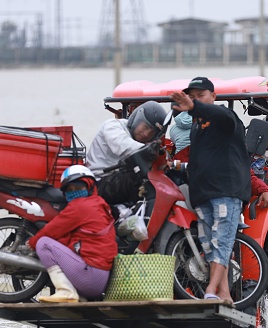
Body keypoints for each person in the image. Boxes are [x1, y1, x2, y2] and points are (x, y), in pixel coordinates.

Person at [170, 77, 251, 302]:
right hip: (202, 194)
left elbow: (220, 115)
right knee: (210, 243)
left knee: (222, 241)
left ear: (213, 97)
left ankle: (210, 290)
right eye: (192, 97)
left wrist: (194, 106)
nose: (195, 101)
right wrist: (175, 166)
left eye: (200, 96)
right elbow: (197, 161)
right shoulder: (196, 128)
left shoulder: (226, 118)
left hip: (227, 190)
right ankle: (224, 293)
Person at [26, 165, 118, 302]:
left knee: (43, 243)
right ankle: (77, 295)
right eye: (69, 190)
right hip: (99, 281)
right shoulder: (99, 204)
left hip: (90, 277)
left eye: (78, 188)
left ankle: (65, 291)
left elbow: (52, 230)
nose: (74, 192)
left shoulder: (79, 206)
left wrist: (32, 242)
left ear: (90, 187)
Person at [85, 100, 166, 204]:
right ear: (137, 118)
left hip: (115, 178)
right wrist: (155, 150)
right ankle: (137, 218)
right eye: (145, 127)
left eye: (151, 132)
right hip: (98, 182)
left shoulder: (141, 143)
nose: (146, 134)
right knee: (137, 180)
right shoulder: (112, 126)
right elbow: (125, 146)